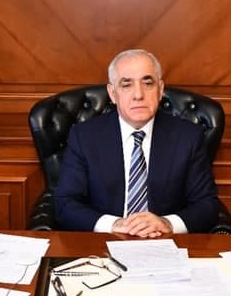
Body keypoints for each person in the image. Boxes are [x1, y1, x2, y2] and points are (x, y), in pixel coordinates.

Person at [53, 49, 220, 237]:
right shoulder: (84, 137)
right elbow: (65, 204)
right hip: (105, 242)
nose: (138, 95)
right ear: (112, 93)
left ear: (160, 89)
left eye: (148, 83)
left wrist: (167, 223)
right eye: (126, 85)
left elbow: (207, 205)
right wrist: (115, 225)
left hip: (164, 242)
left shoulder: (188, 137)